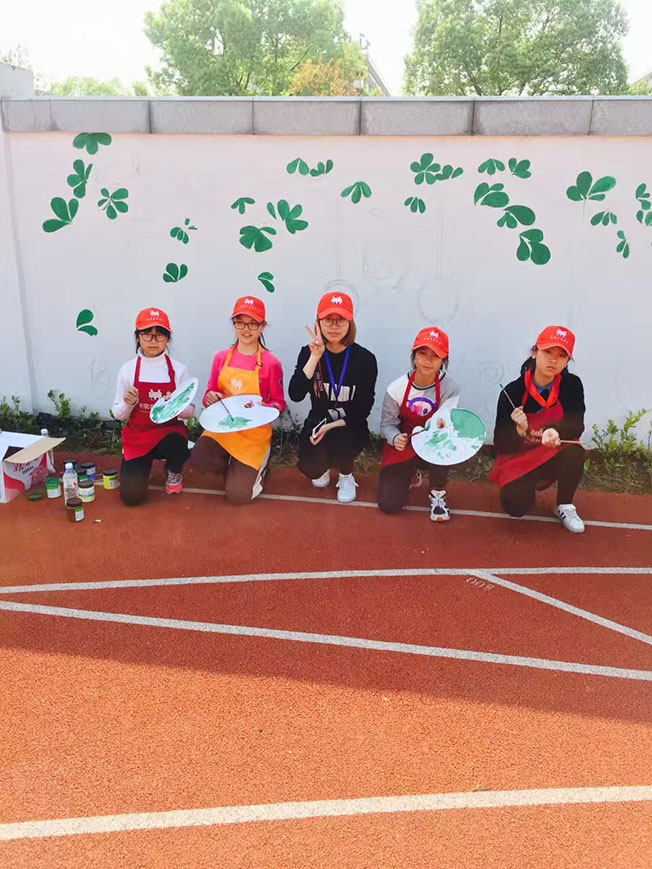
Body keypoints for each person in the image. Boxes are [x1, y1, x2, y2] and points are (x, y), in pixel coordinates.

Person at [489, 325, 586, 533]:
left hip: (552, 454)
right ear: (535, 352)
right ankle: (526, 488)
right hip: (521, 459)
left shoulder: (572, 385)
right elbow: (500, 443)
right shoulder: (513, 392)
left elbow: (577, 424)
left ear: (567, 361)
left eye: (561, 356)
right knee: (515, 506)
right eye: (548, 352)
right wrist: (519, 431)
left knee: (575, 452)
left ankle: (565, 505)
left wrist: (556, 431)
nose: (553, 360)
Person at [190, 296, 285, 503]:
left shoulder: (271, 363)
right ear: (233, 324)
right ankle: (233, 465)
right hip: (223, 428)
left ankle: (259, 468)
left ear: (263, 326)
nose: (246, 329)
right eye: (240, 322)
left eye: (253, 323)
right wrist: (210, 398)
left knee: (238, 496)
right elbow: (209, 393)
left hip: (254, 434)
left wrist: (264, 407)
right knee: (197, 459)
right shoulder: (221, 358)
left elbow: (279, 403)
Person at [289, 291, 377, 503]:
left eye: (341, 320)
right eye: (328, 319)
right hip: (319, 419)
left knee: (343, 441)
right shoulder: (308, 352)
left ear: (350, 323)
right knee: (311, 469)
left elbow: (363, 408)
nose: (334, 326)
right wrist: (315, 357)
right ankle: (323, 466)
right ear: (318, 322)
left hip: (350, 422)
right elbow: (295, 394)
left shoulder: (364, 359)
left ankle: (346, 475)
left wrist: (330, 427)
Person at [112, 307, 194, 506]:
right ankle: (140, 464)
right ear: (138, 337)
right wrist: (128, 403)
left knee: (178, 443)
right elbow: (118, 414)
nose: (153, 340)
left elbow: (190, 412)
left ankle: (173, 470)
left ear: (168, 339)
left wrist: (175, 405)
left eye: (159, 335)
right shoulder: (128, 370)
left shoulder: (179, 370)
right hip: (138, 436)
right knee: (131, 498)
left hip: (168, 433)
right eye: (147, 334)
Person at [377, 327, 460, 521]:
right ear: (414, 356)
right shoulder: (396, 388)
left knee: (446, 441)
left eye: (435, 355)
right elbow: (387, 425)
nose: (428, 360)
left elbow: (445, 422)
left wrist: (439, 427)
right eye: (422, 353)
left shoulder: (451, 388)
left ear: (444, 360)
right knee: (388, 505)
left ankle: (437, 493)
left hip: (432, 442)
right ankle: (410, 474)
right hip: (405, 445)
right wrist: (395, 437)